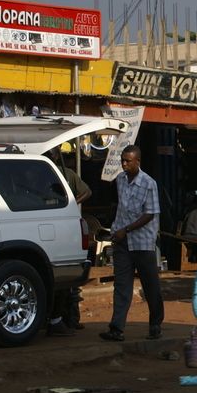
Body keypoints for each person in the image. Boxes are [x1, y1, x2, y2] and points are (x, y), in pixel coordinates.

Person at [100, 146, 164, 342]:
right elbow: (119, 207)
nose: (124, 164)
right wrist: (116, 229)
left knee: (150, 285)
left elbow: (150, 214)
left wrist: (126, 229)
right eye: (123, 160)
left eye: (128, 161)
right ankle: (116, 328)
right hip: (122, 241)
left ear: (138, 162)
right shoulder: (120, 180)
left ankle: (155, 325)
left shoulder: (148, 183)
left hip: (142, 243)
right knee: (121, 286)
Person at [47, 143, 92, 337]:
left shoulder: (66, 174)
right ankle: (60, 319)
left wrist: (71, 203)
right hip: (54, 230)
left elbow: (87, 192)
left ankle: (68, 320)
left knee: (67, 278)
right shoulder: (42, 173)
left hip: (64, 230)